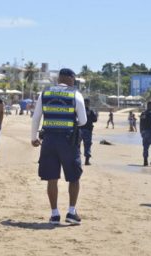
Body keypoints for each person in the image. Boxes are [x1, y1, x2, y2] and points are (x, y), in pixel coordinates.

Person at [31, 68, 87, 225]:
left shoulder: (45, 93)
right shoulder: (75, 94)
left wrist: (33, 138)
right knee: (74, 177)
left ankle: (55, 214)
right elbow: (83, 121)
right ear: (70, 78)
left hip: (49, 140)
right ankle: (71, 212)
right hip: (68, 141)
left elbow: (36, 118)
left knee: (52, 178)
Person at [80, 98, 98, 165]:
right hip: (87, 130)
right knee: (87, 145)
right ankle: (86, 161)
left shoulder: (80, 110)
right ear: (89, 103)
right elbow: (95, 120)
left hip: (80, 129)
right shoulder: (91, 111)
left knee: (77, 145)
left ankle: (77, 159)